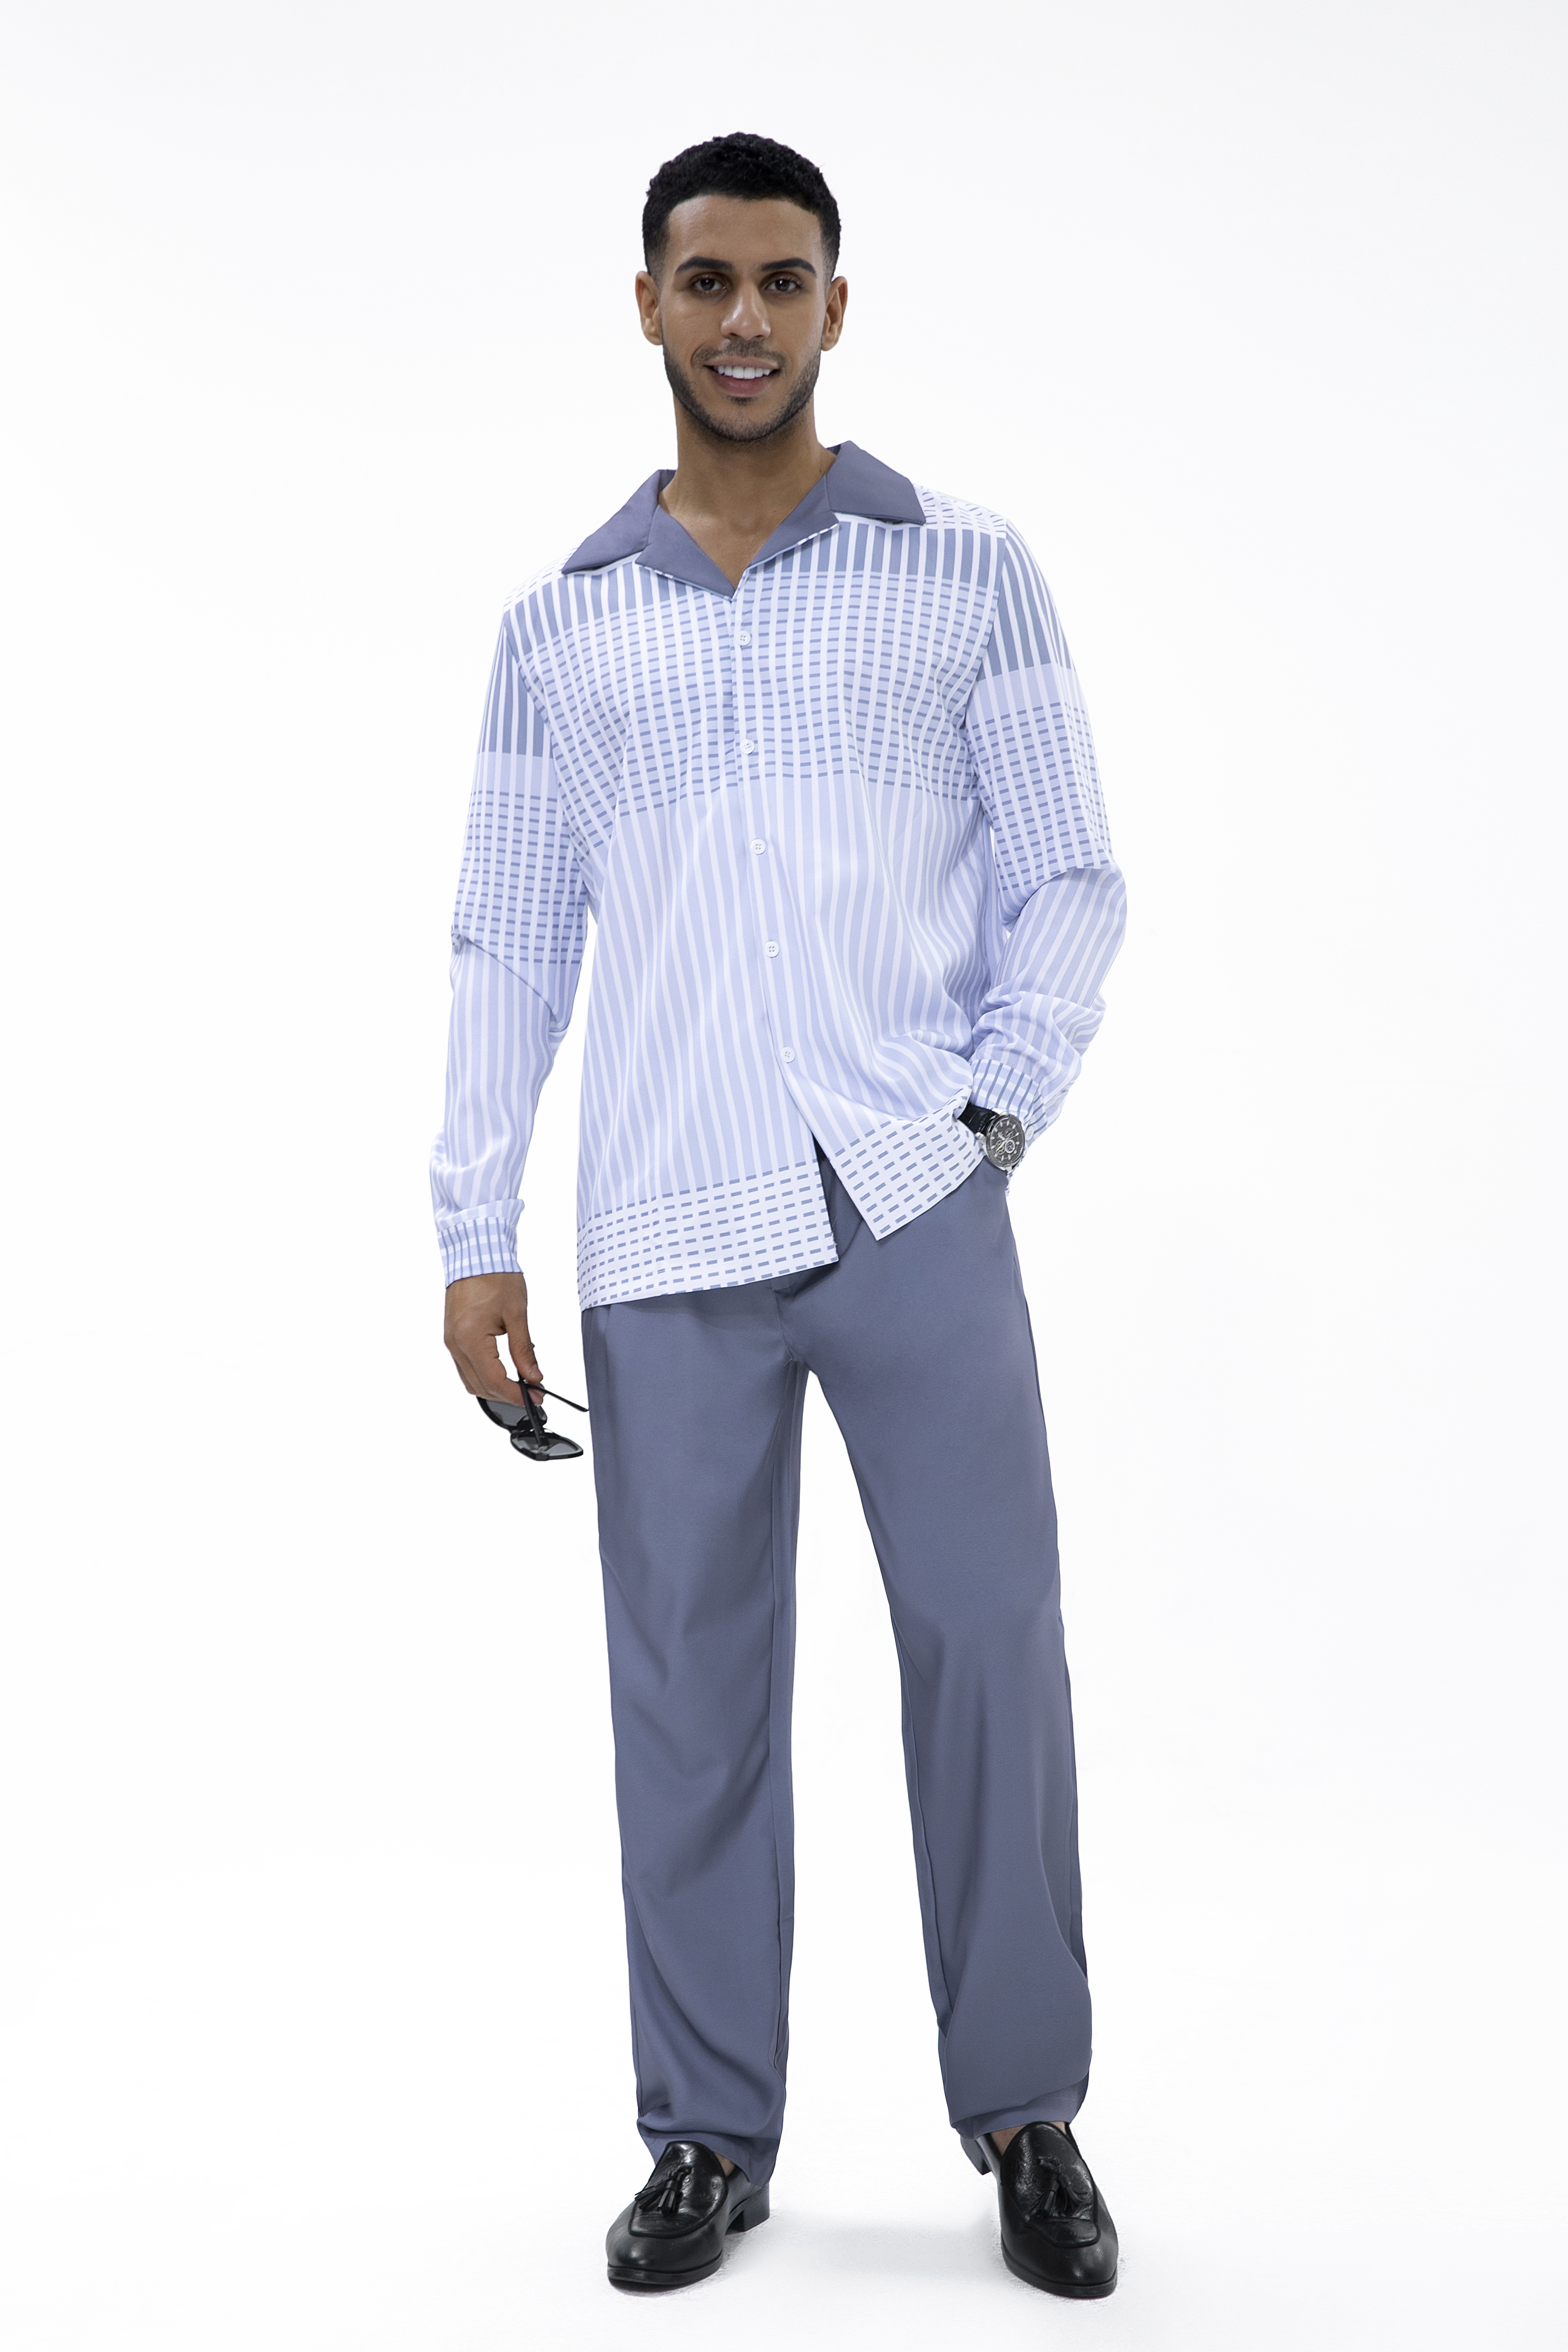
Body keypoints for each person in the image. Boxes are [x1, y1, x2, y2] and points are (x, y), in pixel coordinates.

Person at [432, 131, 1127, 2298]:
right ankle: (706, 2137)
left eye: (785, 281)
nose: (746, 318)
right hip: (665, 1224)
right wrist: (474, 1227)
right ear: (647, 302)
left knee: (990, 1644)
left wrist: (996, 1110)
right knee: (689, 1694)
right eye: (708, 279)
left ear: (837, 305)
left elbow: (1070, 872)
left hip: (911, 1198)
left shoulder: (964, 569)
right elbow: (508, 942)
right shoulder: (560, 629)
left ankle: (1027, 2115)